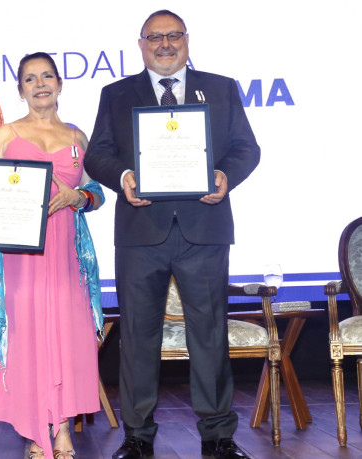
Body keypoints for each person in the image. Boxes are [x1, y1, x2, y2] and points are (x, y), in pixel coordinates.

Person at [84, 10, 260, 459]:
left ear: (187, 40)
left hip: (205, 229)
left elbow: (247, 148)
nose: (165, 44)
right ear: (141, 44)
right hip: (140, 233)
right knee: (137, 338)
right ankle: (137, 437)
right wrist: (123, 176)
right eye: (155, 37)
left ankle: (218, 436)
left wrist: (225, 175)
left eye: (173, 35)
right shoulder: (116, 94)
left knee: (210, 335)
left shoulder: (221, 88)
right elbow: (97, 155)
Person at [0, 52, 105, 459]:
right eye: (30, 79)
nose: (40, 84)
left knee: (66, 338)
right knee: (28, 339)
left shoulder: (78, 137)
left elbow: (97, 192)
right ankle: (34, 429)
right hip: (19, 256)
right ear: (20, 90)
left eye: (47, 76)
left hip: (67, 252)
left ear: (60, 84)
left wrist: (77, 196)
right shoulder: (7, 133)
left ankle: (62, 427)